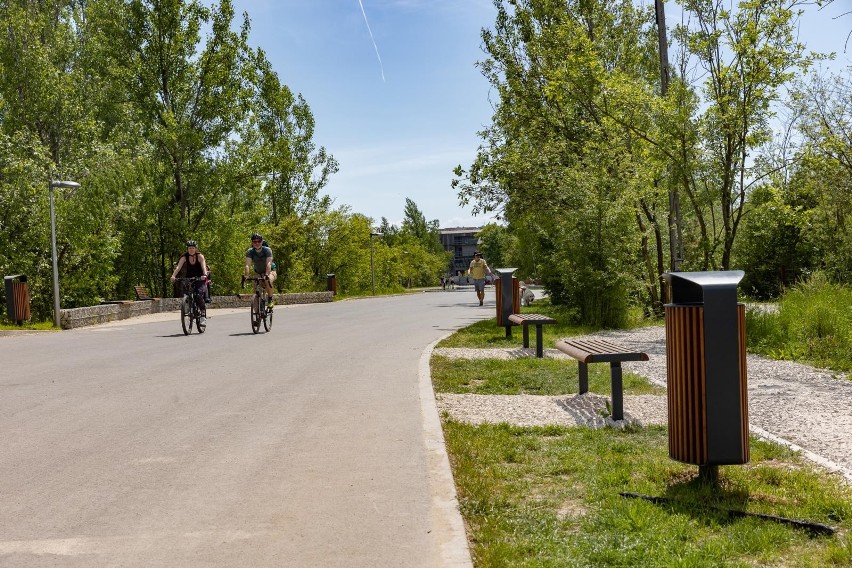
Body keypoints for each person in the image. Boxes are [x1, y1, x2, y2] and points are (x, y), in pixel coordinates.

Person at [170, 240, 210, 322]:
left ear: (196, 248)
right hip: (189, 278)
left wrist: (205, 275)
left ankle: (202, 314)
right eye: (189, 248)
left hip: (200, 278)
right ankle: (188, 306)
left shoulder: (200, 256)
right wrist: (173, 276)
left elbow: (203, 266)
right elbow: (178, 267)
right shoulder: (184, 257)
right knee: (186, 292)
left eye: (192, 248)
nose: (191, 249)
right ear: (187, 249)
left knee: (198, 295)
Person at [243, 232, 276, 307]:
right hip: (258, 272)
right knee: (256, 292)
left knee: (268, 280)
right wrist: (246, 275)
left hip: (270, 271)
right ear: (252, 242)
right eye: (255, 241)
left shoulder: (267, 250)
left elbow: (269, 264)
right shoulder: (250, 252)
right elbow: (247, 265)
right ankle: (258, 313)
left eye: (259, 241)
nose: (257, 243)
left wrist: (267, 274)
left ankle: (270, 299)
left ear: (262, 241)